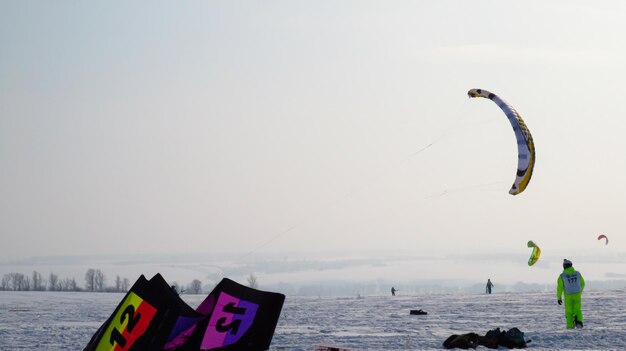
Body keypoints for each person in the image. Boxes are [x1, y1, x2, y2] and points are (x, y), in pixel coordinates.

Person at [557, 259, 585, 329]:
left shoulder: (562, 276)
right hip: (577, 295)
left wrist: (559, 298)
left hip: (568, 296)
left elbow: (559, 288)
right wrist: (579, 292)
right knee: (577, 309)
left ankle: (570, 327)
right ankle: (579, 321)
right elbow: (583, 284)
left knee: (569, 312)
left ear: (564, 266)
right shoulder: (577, 273)